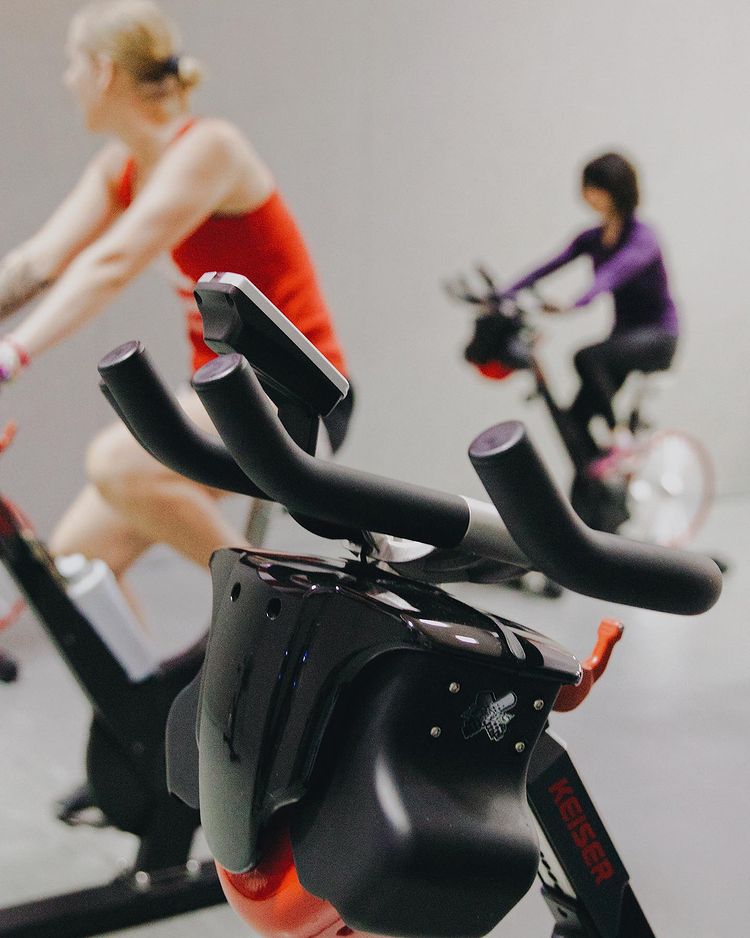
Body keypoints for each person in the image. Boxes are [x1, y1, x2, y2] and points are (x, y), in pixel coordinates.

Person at [0, 0, 351, 612]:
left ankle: (283, 605)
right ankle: (144, 709)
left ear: (104, 72)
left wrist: (12, 354)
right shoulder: (121, 168)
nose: (67, 81)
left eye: (72, 65)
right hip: (225, 394)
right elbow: (37, 264)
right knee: (76, 568)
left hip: (295, 390)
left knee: (117, 460)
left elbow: (112, 263)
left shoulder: (210, 148)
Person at [505, 152, 679, 465]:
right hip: (622, 339)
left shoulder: (642, 238)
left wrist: (576, 301)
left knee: (587, 357)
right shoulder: (593, 238)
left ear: (616, 190)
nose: (588, 194)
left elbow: (614, 273)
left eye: (595, 186)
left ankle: (620, 436)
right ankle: (603, 488)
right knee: (574, 420)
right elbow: (551, 264)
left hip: (656, 337)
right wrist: (504, 293)